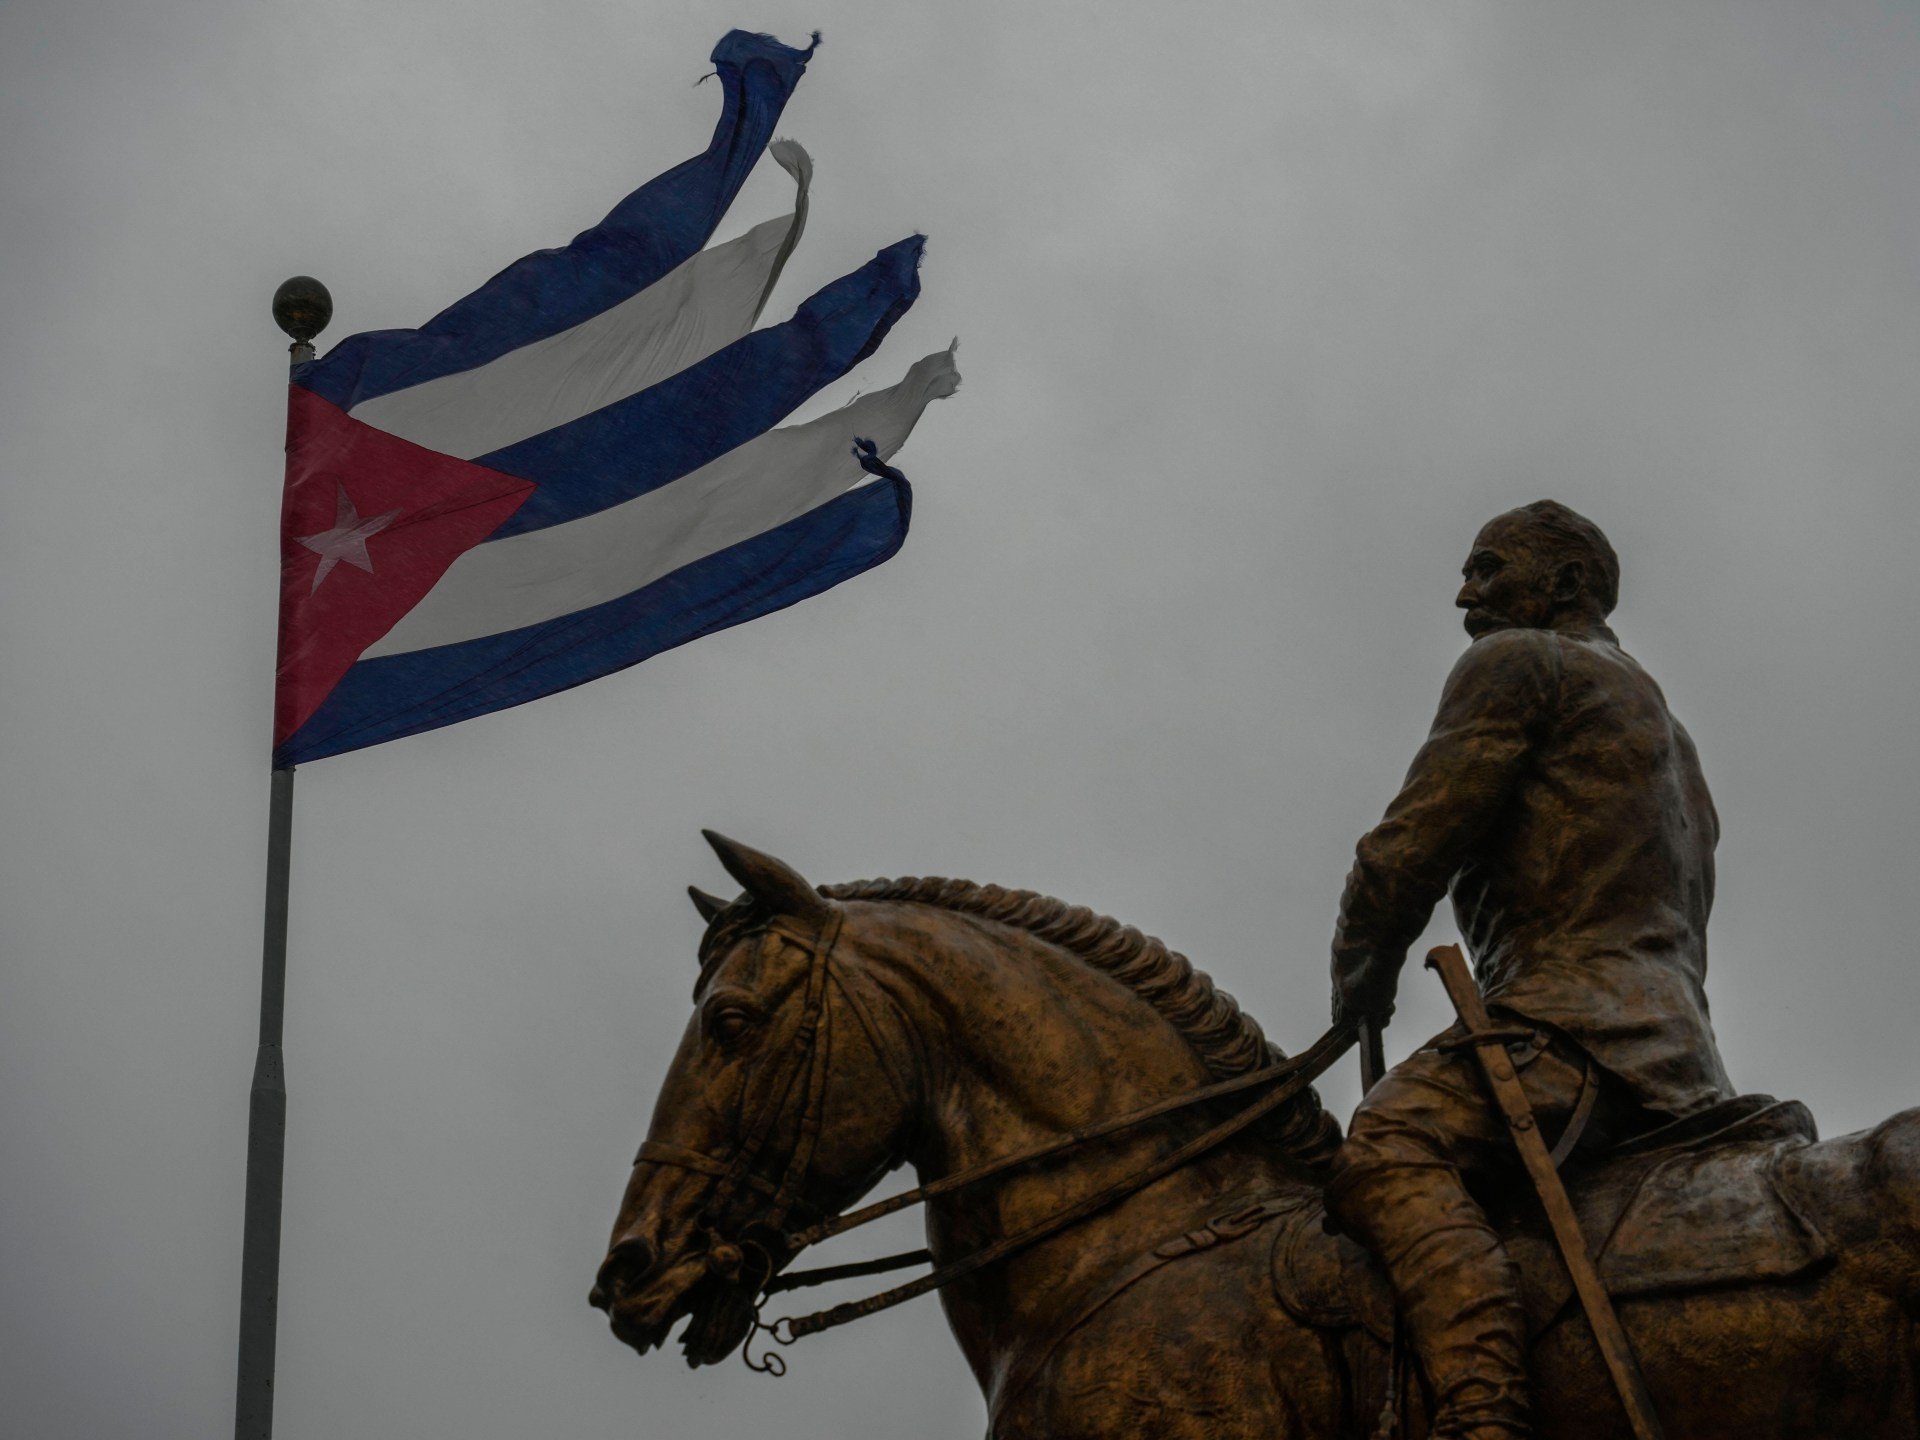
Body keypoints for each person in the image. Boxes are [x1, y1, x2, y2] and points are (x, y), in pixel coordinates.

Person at [1323, 500, 1734, 1439]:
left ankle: (1482, 1413)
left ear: (1564, 585)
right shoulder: (1674, 735)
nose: (1464, 592)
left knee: (1388, 1143)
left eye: (1488, 568)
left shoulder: (1521, 663)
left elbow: (1407, 851)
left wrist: (1361, 975)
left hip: (1570, 1030)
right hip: (1680, 1055)